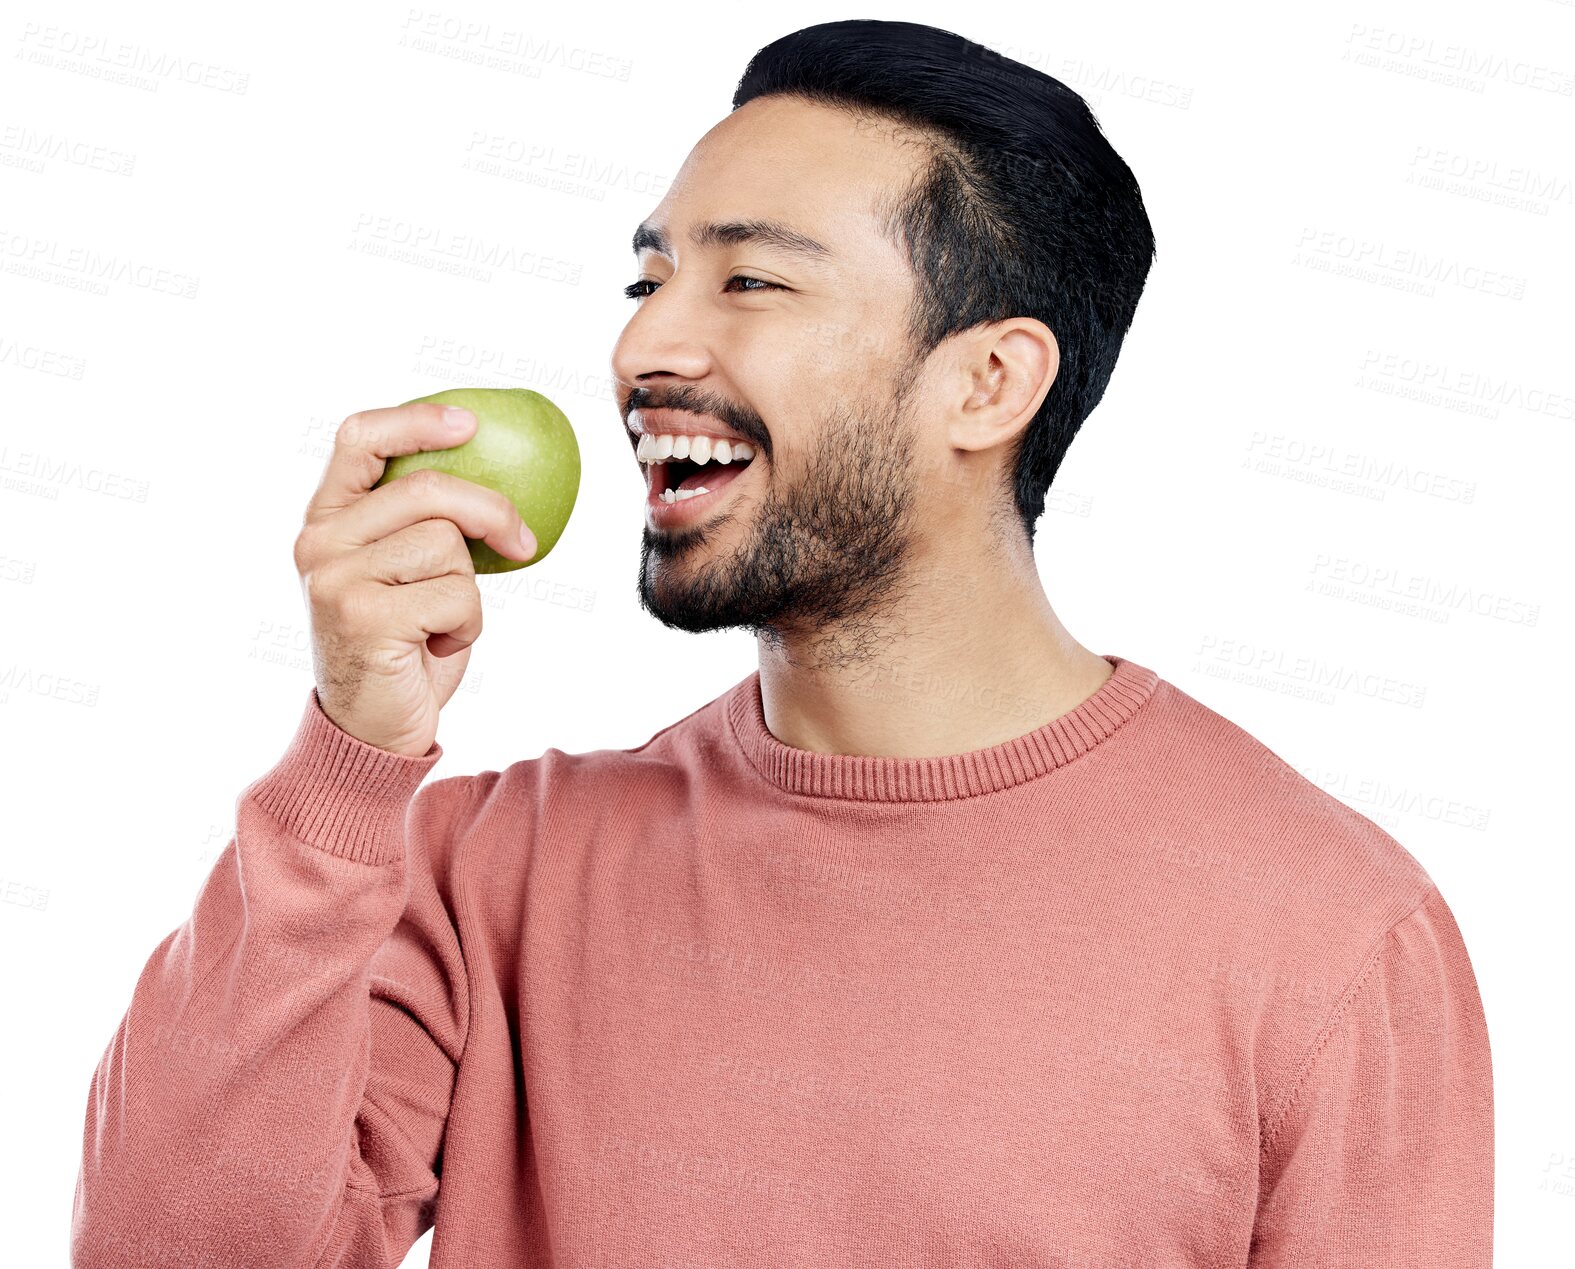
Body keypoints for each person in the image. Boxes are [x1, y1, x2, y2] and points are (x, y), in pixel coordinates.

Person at [71, 18, 1493, 1268]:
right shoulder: (485, 870)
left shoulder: (1331, 937)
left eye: (750, 284)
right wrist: (351, 758)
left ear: (989, 380)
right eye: (648, 283)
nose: (644, 352)